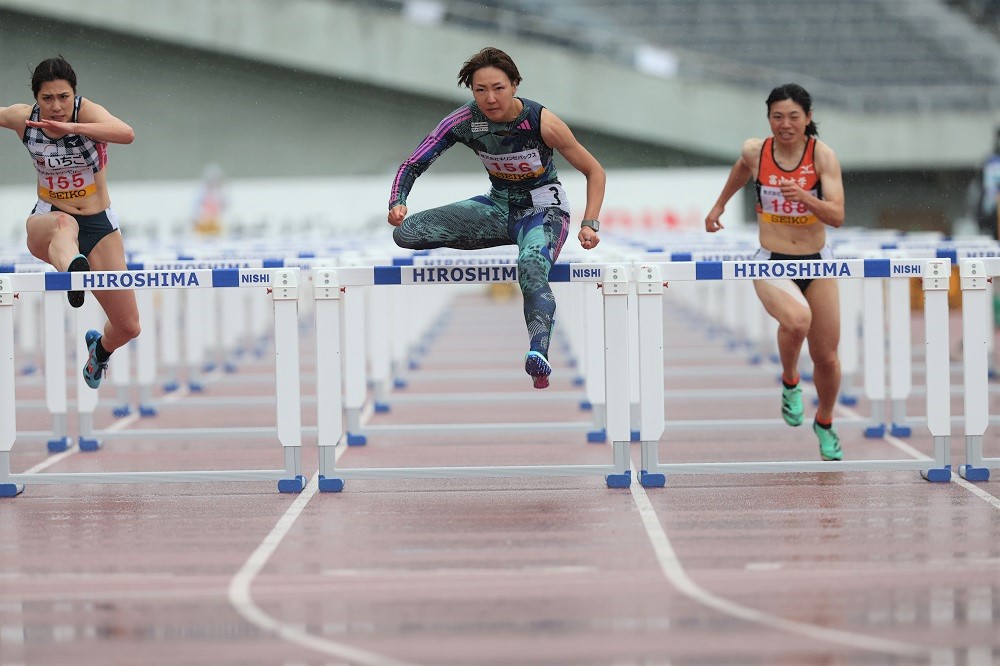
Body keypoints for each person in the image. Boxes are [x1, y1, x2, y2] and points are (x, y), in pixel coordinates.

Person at [387, 46, 605, 389]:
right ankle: (518, 237)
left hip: (543, 210)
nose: (490, 98)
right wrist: (398, 201)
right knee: (407, 234)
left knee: (531, 266)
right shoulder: (464, 121)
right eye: (480, 90)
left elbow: (594, 171)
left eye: (498, 88)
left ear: (515, 85)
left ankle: (538, 353)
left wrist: (589, 222)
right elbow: (413, 162)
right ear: (472, 91)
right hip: (498, 208)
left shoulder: (542, 122)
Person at [704, 83, 845, 461]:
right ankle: (789, 381)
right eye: (777, 117)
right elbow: (741, 169)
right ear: (768, 119)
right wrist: (719, 206)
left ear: (808, 118)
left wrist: (805, 198)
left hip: (817, 260)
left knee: (827, 357)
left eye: (793, 117)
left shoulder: (822, 157)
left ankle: (826, 421)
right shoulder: (757, 151)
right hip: (771, 260)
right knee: (798, 320)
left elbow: (838, 216)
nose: (785, 124)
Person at [0, 56, 140, 389]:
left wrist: (71, 129)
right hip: (48, 221)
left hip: (98, 225)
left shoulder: (85, 113)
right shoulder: (24, 119)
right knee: (66, 227)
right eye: (47, 98)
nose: (56, 107)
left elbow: (127, 133)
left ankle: (99, 350)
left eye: (63, 97)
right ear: (36, 99)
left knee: (128, 326)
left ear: (73, 95)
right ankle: (74, 272)